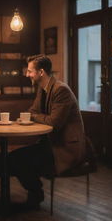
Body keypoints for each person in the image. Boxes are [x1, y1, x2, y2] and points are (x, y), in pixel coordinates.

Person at [9, 54, 86, 209]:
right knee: (13, 158)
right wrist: (35, 116)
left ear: (41, 72)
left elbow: (53, 122)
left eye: (30, 71)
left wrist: (35, 116)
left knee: (19, 160)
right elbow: (33, 111)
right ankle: (35, 194)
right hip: (50, 144)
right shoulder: (42, 89)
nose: (26, 74)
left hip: (64, 148)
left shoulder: (61, 90)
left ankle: (35, 197)